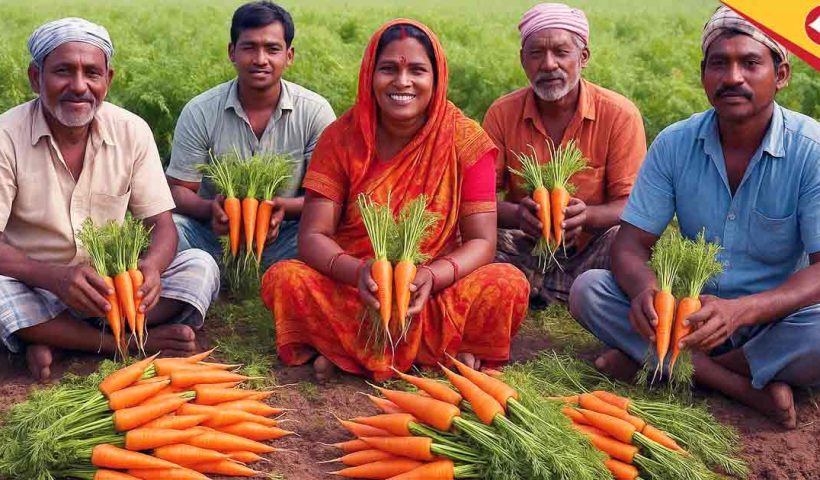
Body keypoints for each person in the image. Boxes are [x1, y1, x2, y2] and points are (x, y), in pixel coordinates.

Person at [569, 6, 820, 429]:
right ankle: (735, 384)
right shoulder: (674, 144)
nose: (733, 77)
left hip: (775, 320)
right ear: (704, 75)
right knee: (588, 290)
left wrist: (742, 311)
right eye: (719, 64)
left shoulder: (810, 149)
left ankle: (664, 366)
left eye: (750, 62)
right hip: (688, 316)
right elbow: (630, 245)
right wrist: (647, 291)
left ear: (780, 75)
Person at [260, 19, 530, 381]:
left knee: (507, 283)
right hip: (358, 292)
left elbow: (483, 240)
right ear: (371, 74)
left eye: (417, 70)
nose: (402, 82)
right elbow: (313, 236)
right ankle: (441, 356)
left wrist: (432, 276)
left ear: (436, 78)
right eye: (389, 69)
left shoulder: (466, 141)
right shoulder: (340, 139)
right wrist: (360, 273)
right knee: (284, 278)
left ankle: (340, 354)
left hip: (433, 291)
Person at [0, 18, 220, 381]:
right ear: (35, 77)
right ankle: (129, 343)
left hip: (114, 290)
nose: (79, 86)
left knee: (200, 264)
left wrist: (152, 269)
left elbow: (162, 227)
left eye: (92, 73)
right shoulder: (7, 136)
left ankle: (59, 338)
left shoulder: (131, 131)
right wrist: (52, 277)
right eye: (63, 72)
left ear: (109, 79)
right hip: (35, 285)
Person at [484, 3, 646, 307]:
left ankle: (537, 287)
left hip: (589, 250)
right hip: (523, 244)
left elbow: (633, 207)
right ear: (523, 60)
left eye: (561, 52)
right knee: (468, 234)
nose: (548, 64)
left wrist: (586, 217)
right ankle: (536, 284)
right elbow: (480, 200)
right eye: (536, 54)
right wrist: (520, 214)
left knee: (627, 241)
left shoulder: (619, 115)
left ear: (583, 57)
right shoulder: (502, 113)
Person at [166, 1, 336, 269]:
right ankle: (210, 270)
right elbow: (176, 189)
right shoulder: (200, 111)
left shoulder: (314, 112)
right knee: (169, 231)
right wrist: (211, 210)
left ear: (289, 56)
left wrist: (283, 208)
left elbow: (327, 197)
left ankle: (271, 273)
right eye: (249, 47)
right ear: (232, 52)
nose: (260, 59)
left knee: (332, 237)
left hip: (284, 237)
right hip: (211, 236)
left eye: (272, 49)